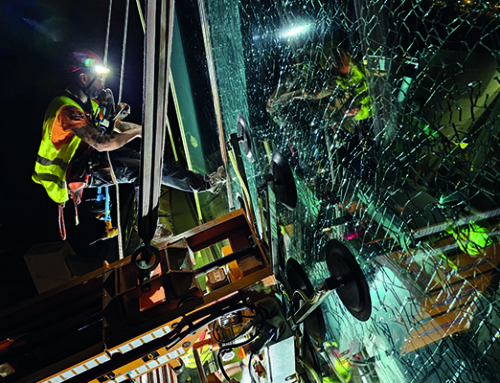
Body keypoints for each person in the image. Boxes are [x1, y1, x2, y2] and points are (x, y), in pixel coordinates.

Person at [33, 49, 225, 209]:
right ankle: (148, 225)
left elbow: (116, 126)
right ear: (83, 78)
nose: (102, 85)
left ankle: (206, 183)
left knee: (144, 162)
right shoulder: (67, 109)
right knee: (141, 171)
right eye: (99, 78)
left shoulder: (88, 104)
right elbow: (101, 143)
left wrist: (143, 129)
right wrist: (138, 133)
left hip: (88, 159)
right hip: (74, 172)